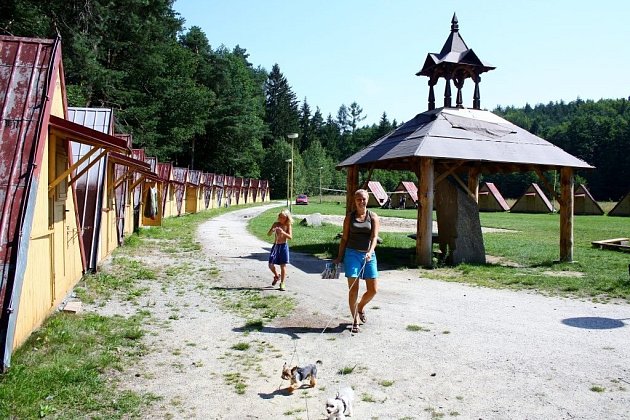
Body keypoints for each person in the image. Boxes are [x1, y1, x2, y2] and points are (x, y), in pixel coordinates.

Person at [333, 189, 380, 333]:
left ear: (367, 200)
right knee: (353, 288)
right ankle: (355, 320)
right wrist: (339, 257)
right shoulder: (349, 218)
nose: (361, 201)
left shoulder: (373, 217)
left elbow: (374, 237)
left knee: (373, 290)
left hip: (368, 255)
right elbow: (344, 239)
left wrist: (370, 252)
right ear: (355, 200)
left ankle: (360, 307)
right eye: (358, 199)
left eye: (364, 199)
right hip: (352, 254)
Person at [267, 209, 293, 291]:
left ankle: (282, 283)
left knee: (283, 265)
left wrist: (283, 232)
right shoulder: (276, 224)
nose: (281, 219)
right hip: (275, 246)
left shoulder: (288, 225)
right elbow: (268, 234)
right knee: (270, 265)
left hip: (283, 246)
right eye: (280, 217)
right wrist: (272, 230)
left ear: (287, 218)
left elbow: (290, 237)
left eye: (283, 218)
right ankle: (276, 275)